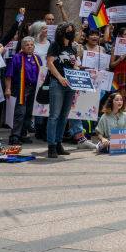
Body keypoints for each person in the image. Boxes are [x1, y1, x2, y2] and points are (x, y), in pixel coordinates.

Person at [45, 23, 78, 159]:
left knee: (64, 116)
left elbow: (74, 63)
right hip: (57, 83)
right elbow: (50, 63)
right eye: (67, 31)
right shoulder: (55, 45)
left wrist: (77, 69)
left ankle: (59, 143)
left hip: (70, 84)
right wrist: (59, 78)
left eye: (71, 31)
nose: (70, 33)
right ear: (61, 32)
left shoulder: (72, 48)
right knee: (54, 116)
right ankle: (51, 145)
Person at [5, 36, 41, 145]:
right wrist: (8, 88)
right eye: (27, 44)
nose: (30, 46)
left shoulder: (37, 58)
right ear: (22, 47)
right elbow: (9, 75)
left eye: (31, 44)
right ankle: (15, 136)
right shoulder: (17, 57)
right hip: (20, 87)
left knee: (29, 113)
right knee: (20, 112)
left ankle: (23, 135)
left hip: (33, 88)